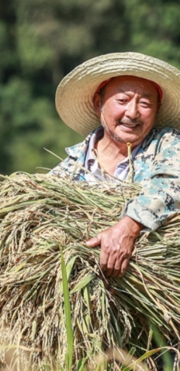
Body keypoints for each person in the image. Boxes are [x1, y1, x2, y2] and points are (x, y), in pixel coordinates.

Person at [51, 52, 180, 279]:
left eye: (145, 103)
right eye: (122, 100)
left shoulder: (168, 144)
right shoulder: (65, 172)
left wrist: (129, 227)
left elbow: (172, 182)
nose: (132, 112)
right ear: (98, 103)